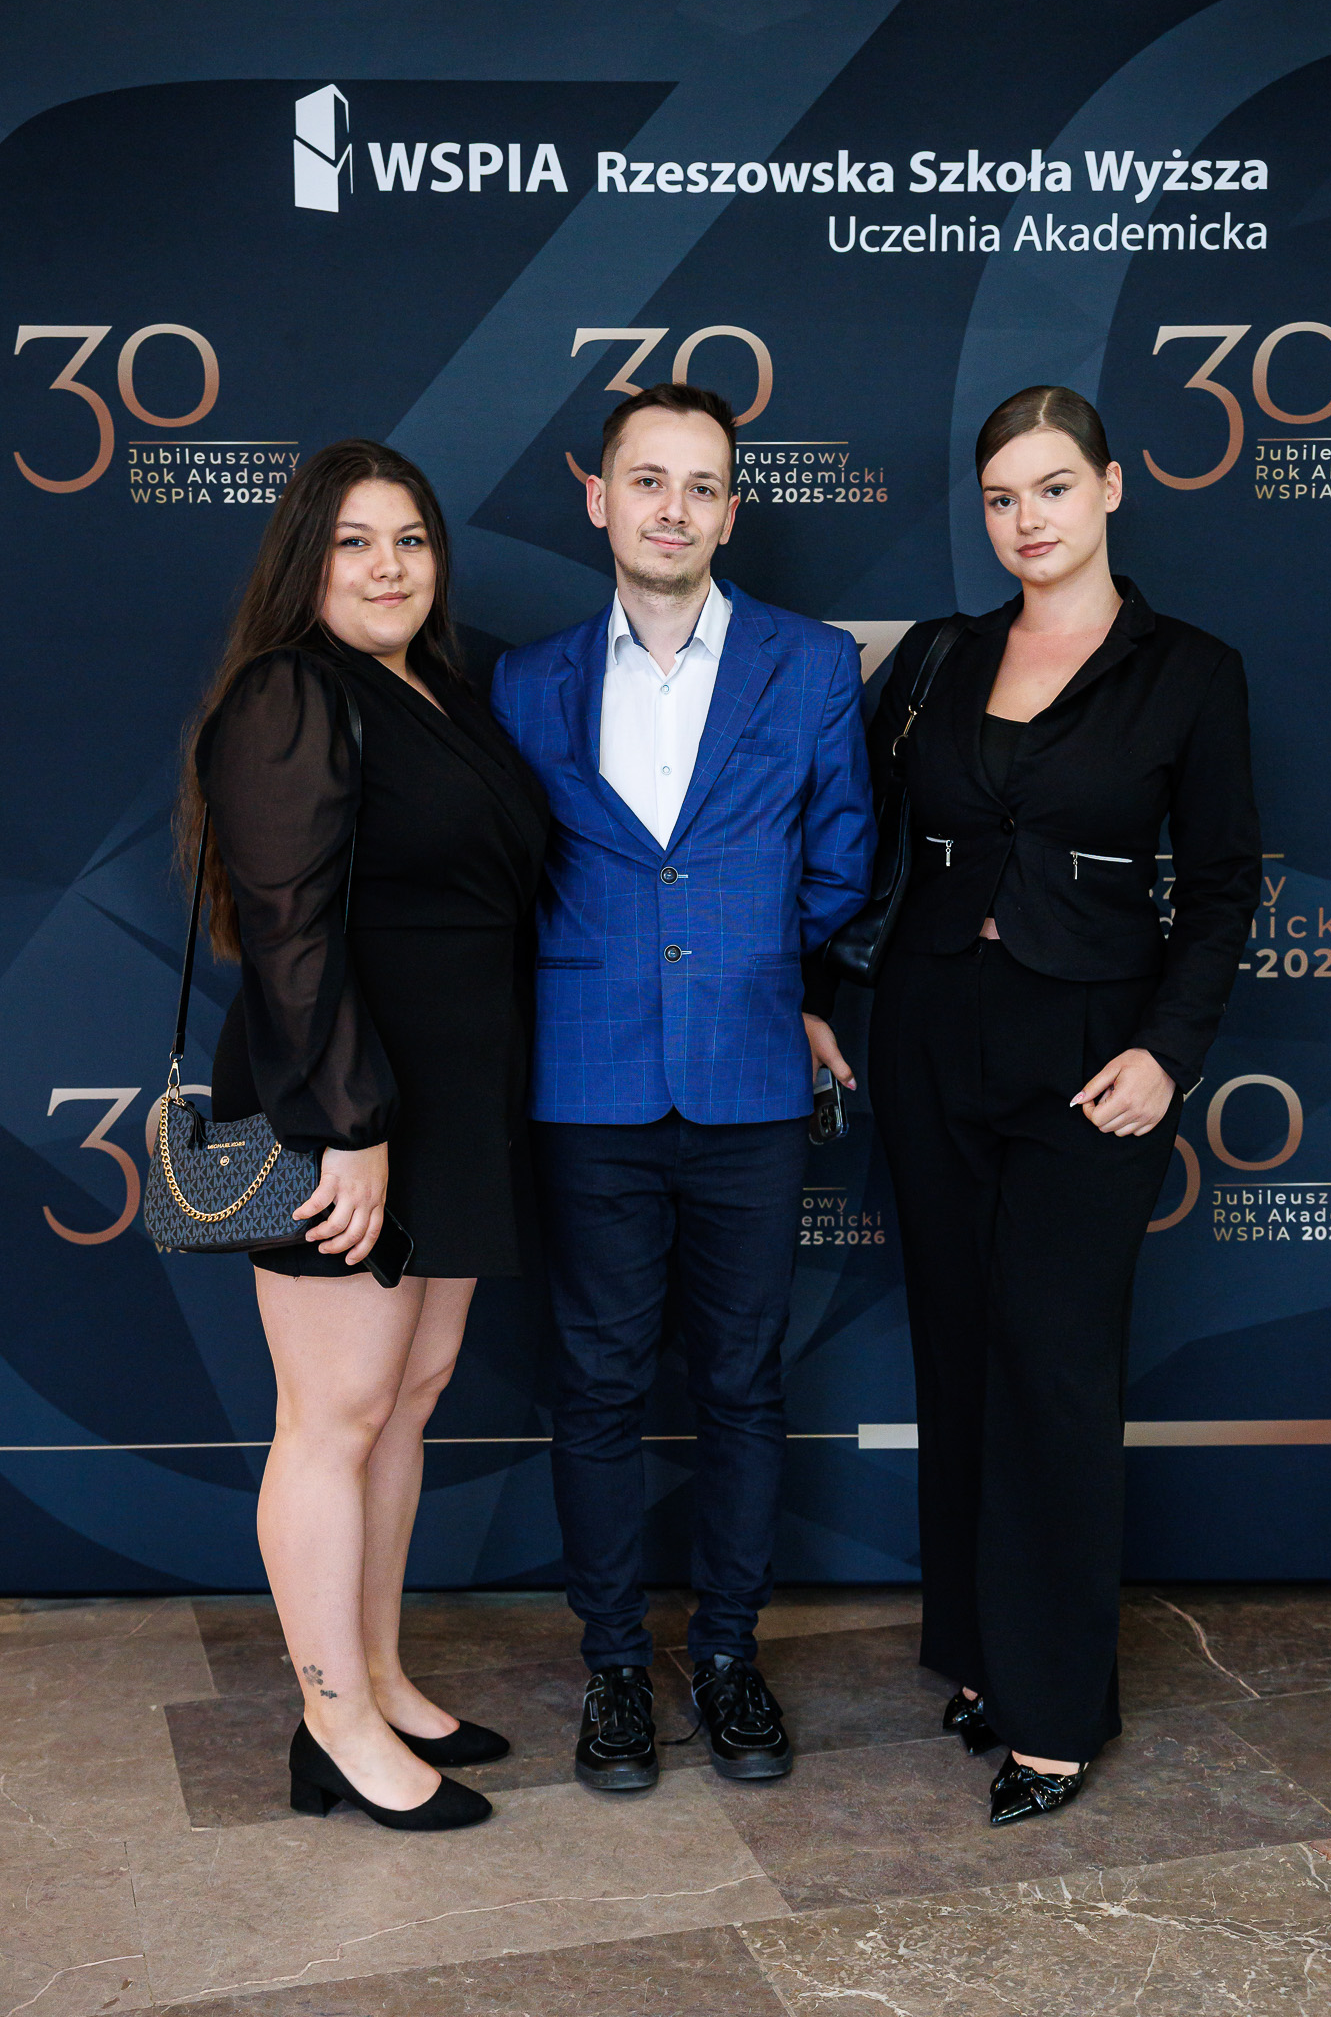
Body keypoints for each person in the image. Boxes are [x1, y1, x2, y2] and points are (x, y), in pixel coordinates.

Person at [816, 386, 1259, 1824]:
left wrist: (1169, 1052)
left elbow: (1225, 888)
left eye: (1054, 489)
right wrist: (819, 988)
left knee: (1054, 1366)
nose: (1028, 521)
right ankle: (979, 1656)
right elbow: (858, 841)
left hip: (1094, 1051)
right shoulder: (941, 657)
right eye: (1003, 498)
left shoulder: (1189, 670)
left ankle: (1056, 1707)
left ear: (1112, 489)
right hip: (932, 1028)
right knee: (957, 1352)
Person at [491, 382, 874, 1792]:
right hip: (584, 1082)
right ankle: (611, 1669)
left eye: (701, 485)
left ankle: (725, 1656)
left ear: (732, 509)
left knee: (742, 1385)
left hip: (749, 1077)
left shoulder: (811, 664)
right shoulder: (523, 681)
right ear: (599, 499)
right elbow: (506, 872)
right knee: (594, 1383)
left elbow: (843, 858)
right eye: (646, 481)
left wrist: (766, 979)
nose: (672, 508)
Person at [182, 439, 549, 1831]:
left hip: (448, 1100)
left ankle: (380, 1676)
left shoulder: (434, 691)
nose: (388, 567)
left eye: (410, 539)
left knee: (408, 1396)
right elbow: (288, 933)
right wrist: (350, 1128)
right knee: (332, 1416)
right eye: (353, 542)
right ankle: (331, 1724)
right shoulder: (290, 691)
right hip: (338, 1105)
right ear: (305, 563)